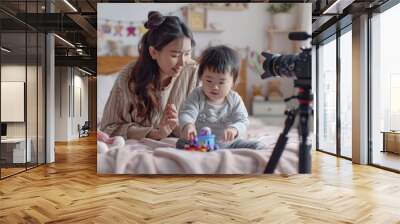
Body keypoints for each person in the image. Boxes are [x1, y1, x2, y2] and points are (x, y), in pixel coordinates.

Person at [100, 11, 199, 140]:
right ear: (153, 52)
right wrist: (155, 133)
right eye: (174, 55)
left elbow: (207, 123)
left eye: (187, 53)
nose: (182, 62)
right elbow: (108, 127)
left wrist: (181, 127)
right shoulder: (128, 76)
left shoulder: (193, 72)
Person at [178, 45, 264, 149]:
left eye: (221, 82)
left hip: (229, 144)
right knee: (181, 143)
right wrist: (188, 125)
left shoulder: (234, 99)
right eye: (209, 81)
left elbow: (243, 121)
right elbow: (187, 112)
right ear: (201, 77)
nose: (215, 87)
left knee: (257, 145)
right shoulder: (197, 95)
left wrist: (234, 129)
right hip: (201, 143)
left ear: (233, 82)